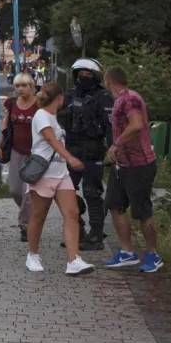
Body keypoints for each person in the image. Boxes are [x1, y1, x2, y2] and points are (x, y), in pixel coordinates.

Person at [24, 81, 95, 276]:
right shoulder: (41, 115)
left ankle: (73, 260)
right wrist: (70, 157)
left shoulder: (54, 117)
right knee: (39, 215)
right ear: (60, 97)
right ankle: (33, 255)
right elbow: (50, 139)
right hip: (44, 173)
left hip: (61, 173)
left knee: (72, 213)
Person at [102, 66, 161, 272]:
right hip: (122, 165)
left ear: (108, 80)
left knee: (142, 211)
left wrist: (116, 144)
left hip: (139, 164)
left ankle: (153, 254)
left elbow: (136, 125)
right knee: (114, 203)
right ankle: (127, 252)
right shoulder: (119, 100)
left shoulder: (130, 98)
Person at [59, 58, 114, 250]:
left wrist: (113, 149)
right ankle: (76, 228)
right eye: (80, 74)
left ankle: (96, 235)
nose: (83, 77)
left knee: (92, 192)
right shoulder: (68, 95)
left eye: (88, 75)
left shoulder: (103, 97)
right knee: (65, 192)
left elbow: (110, 127)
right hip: (71, 149)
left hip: (93, 150)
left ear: (96, 77)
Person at [0, 73, 39, 242]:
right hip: (16, 151)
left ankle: (25, 226)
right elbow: (5, 125)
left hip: (35, 154)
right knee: (14, 189)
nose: (20, 89)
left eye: (24, 85)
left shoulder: (39, 104)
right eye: (17, 86)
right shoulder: (12, 103)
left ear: (31, 86)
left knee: (28, 192)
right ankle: (31, 216)